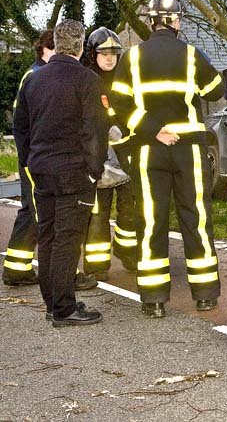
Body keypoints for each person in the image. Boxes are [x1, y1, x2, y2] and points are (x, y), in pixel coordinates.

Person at [110, 0, 225, 318]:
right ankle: (204, 295)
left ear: (150, 22)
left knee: (151, 222)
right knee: (196, 218)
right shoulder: (191, 55)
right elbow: (216, 90)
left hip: (149, 150)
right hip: (188, 149)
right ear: (175, 21)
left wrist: (151, 128)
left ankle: (154, 299)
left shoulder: (130, 58)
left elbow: (118, 104)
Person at [13, 19, 107, 327]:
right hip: (73, 172)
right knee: (68, 239)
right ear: (81, 46)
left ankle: (53, 303)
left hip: (41, 169)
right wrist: (95, 171)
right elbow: (94, 130)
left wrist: (30, 160)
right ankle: (65, 308)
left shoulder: (34, 79)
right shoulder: (87, 80)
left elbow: (21, 127)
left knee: (48, 237)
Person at [81, 27, 138, 280]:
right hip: (96, 160)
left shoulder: (127, 79)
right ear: (93, 55)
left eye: (114, 53)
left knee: (130, 210)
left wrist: (123, 129)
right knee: (98, 214)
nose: (109, 58)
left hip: (125, 156)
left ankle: (128, 254)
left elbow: (136, 111)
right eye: (103, 53)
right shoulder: (84, 80)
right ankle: (96, 266)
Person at [2, 30, 54, 286]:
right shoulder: (36, 76)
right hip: (35, 158)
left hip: (33, 157)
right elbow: (22, 124)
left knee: (31, 210)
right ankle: (16, 270)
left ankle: (17, 267)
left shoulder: (35, 74)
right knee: (36, 211)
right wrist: (28, 158)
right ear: (45, 49)